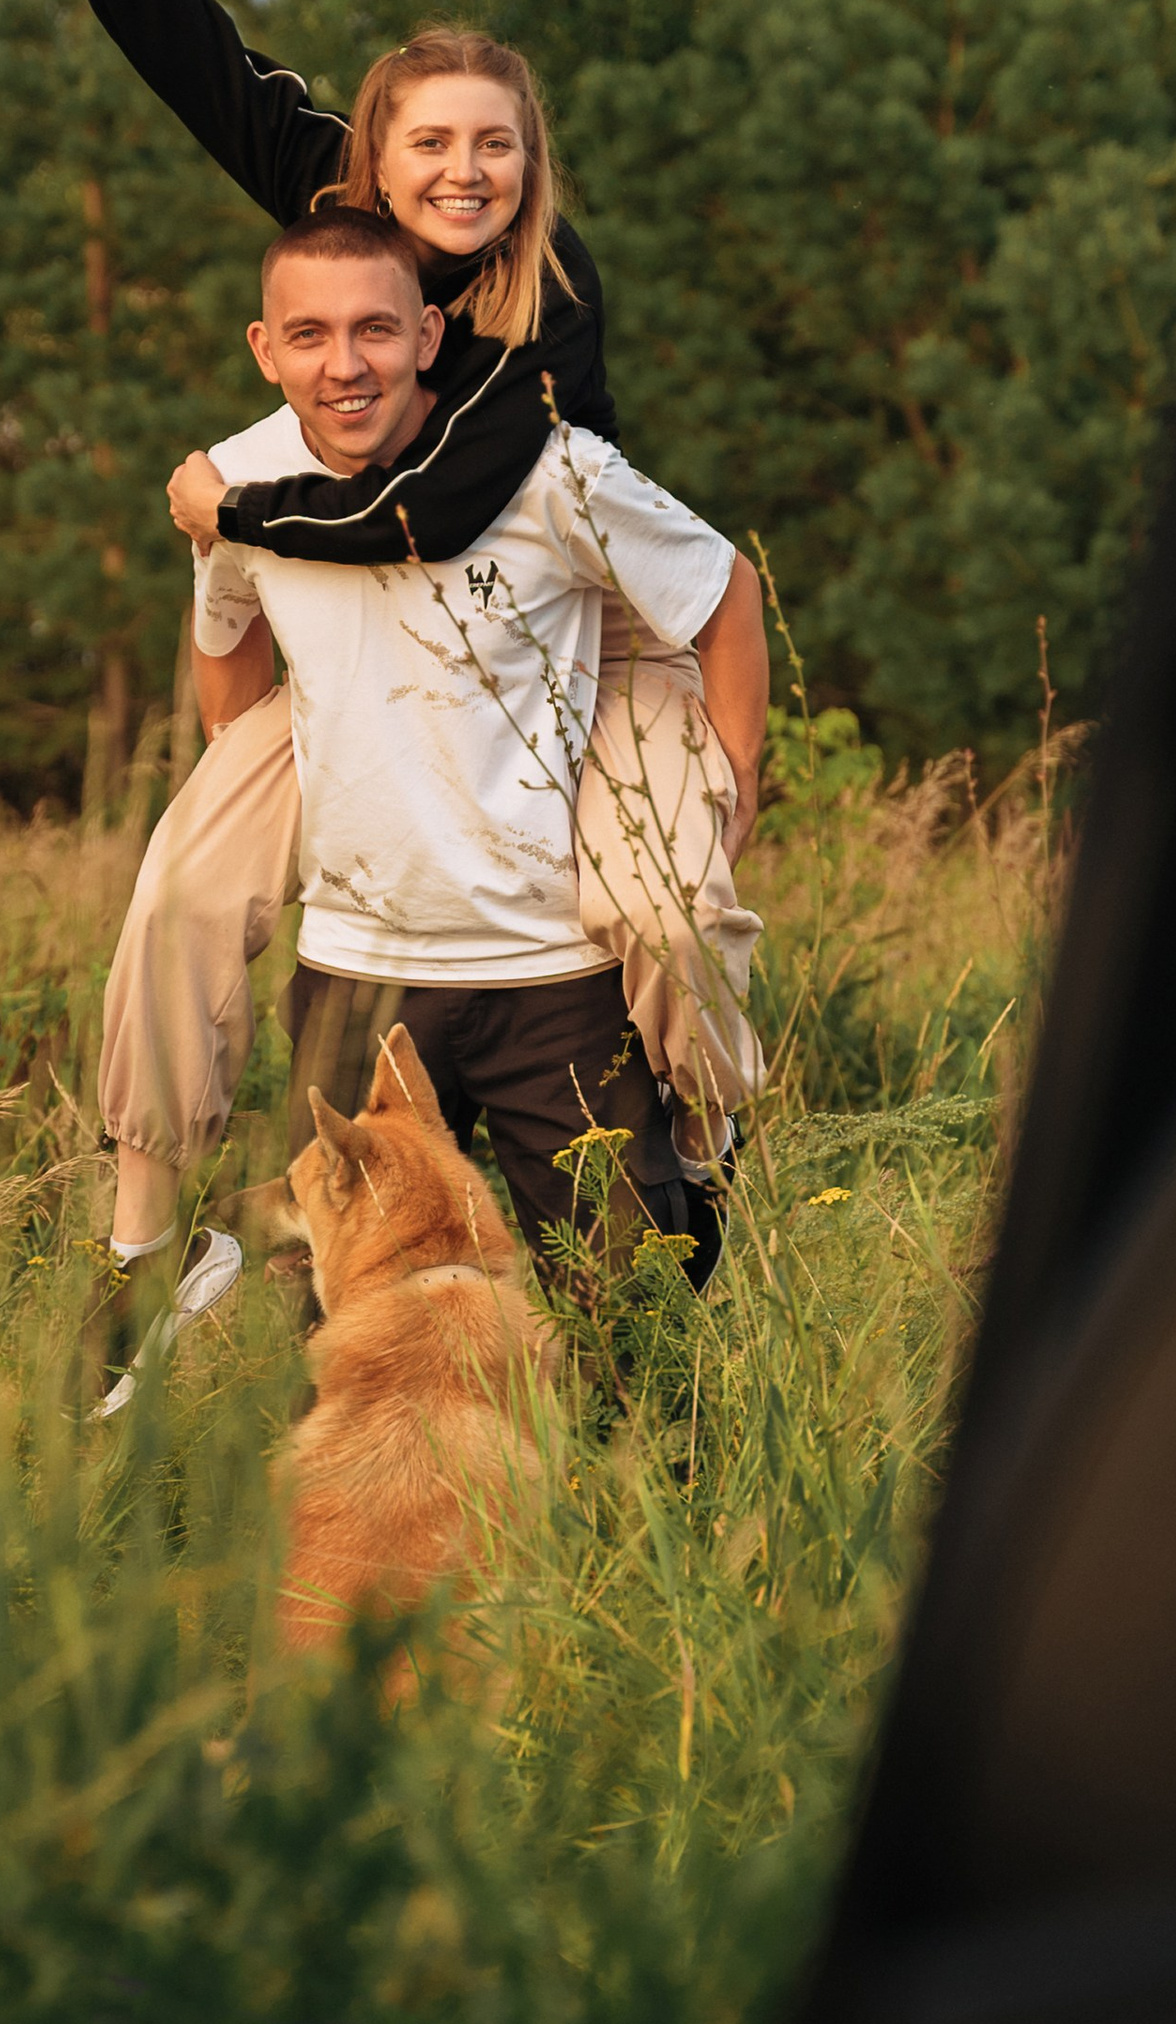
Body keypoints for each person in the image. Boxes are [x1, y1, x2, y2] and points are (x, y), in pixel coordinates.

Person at [0, 0, 761, 1374]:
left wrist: (234, 503)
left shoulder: (543, 303)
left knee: (663, 903)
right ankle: (143, 1242)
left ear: (529, 163)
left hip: (569, 625)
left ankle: (699, 1146)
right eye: (430, 145)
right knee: (181, 888)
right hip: (353, 606)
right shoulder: (343, 211)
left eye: (495, 148)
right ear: (374, 163)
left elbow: (438, 509)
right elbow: (190, 52)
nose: (462, 173)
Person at [188, 206, 765, 1289]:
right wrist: (251, 758)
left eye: (375, 329)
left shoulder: (552, 471)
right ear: (264, 349)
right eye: (309, 333)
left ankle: (704, 1151)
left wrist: (735, 776)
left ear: (428, 335)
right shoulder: (236, 484)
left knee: (629, 1311)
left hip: (556, 974)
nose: (345, 364)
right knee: (353, 1321)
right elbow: (224, 641)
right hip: (358, 973)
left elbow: (719, 583)